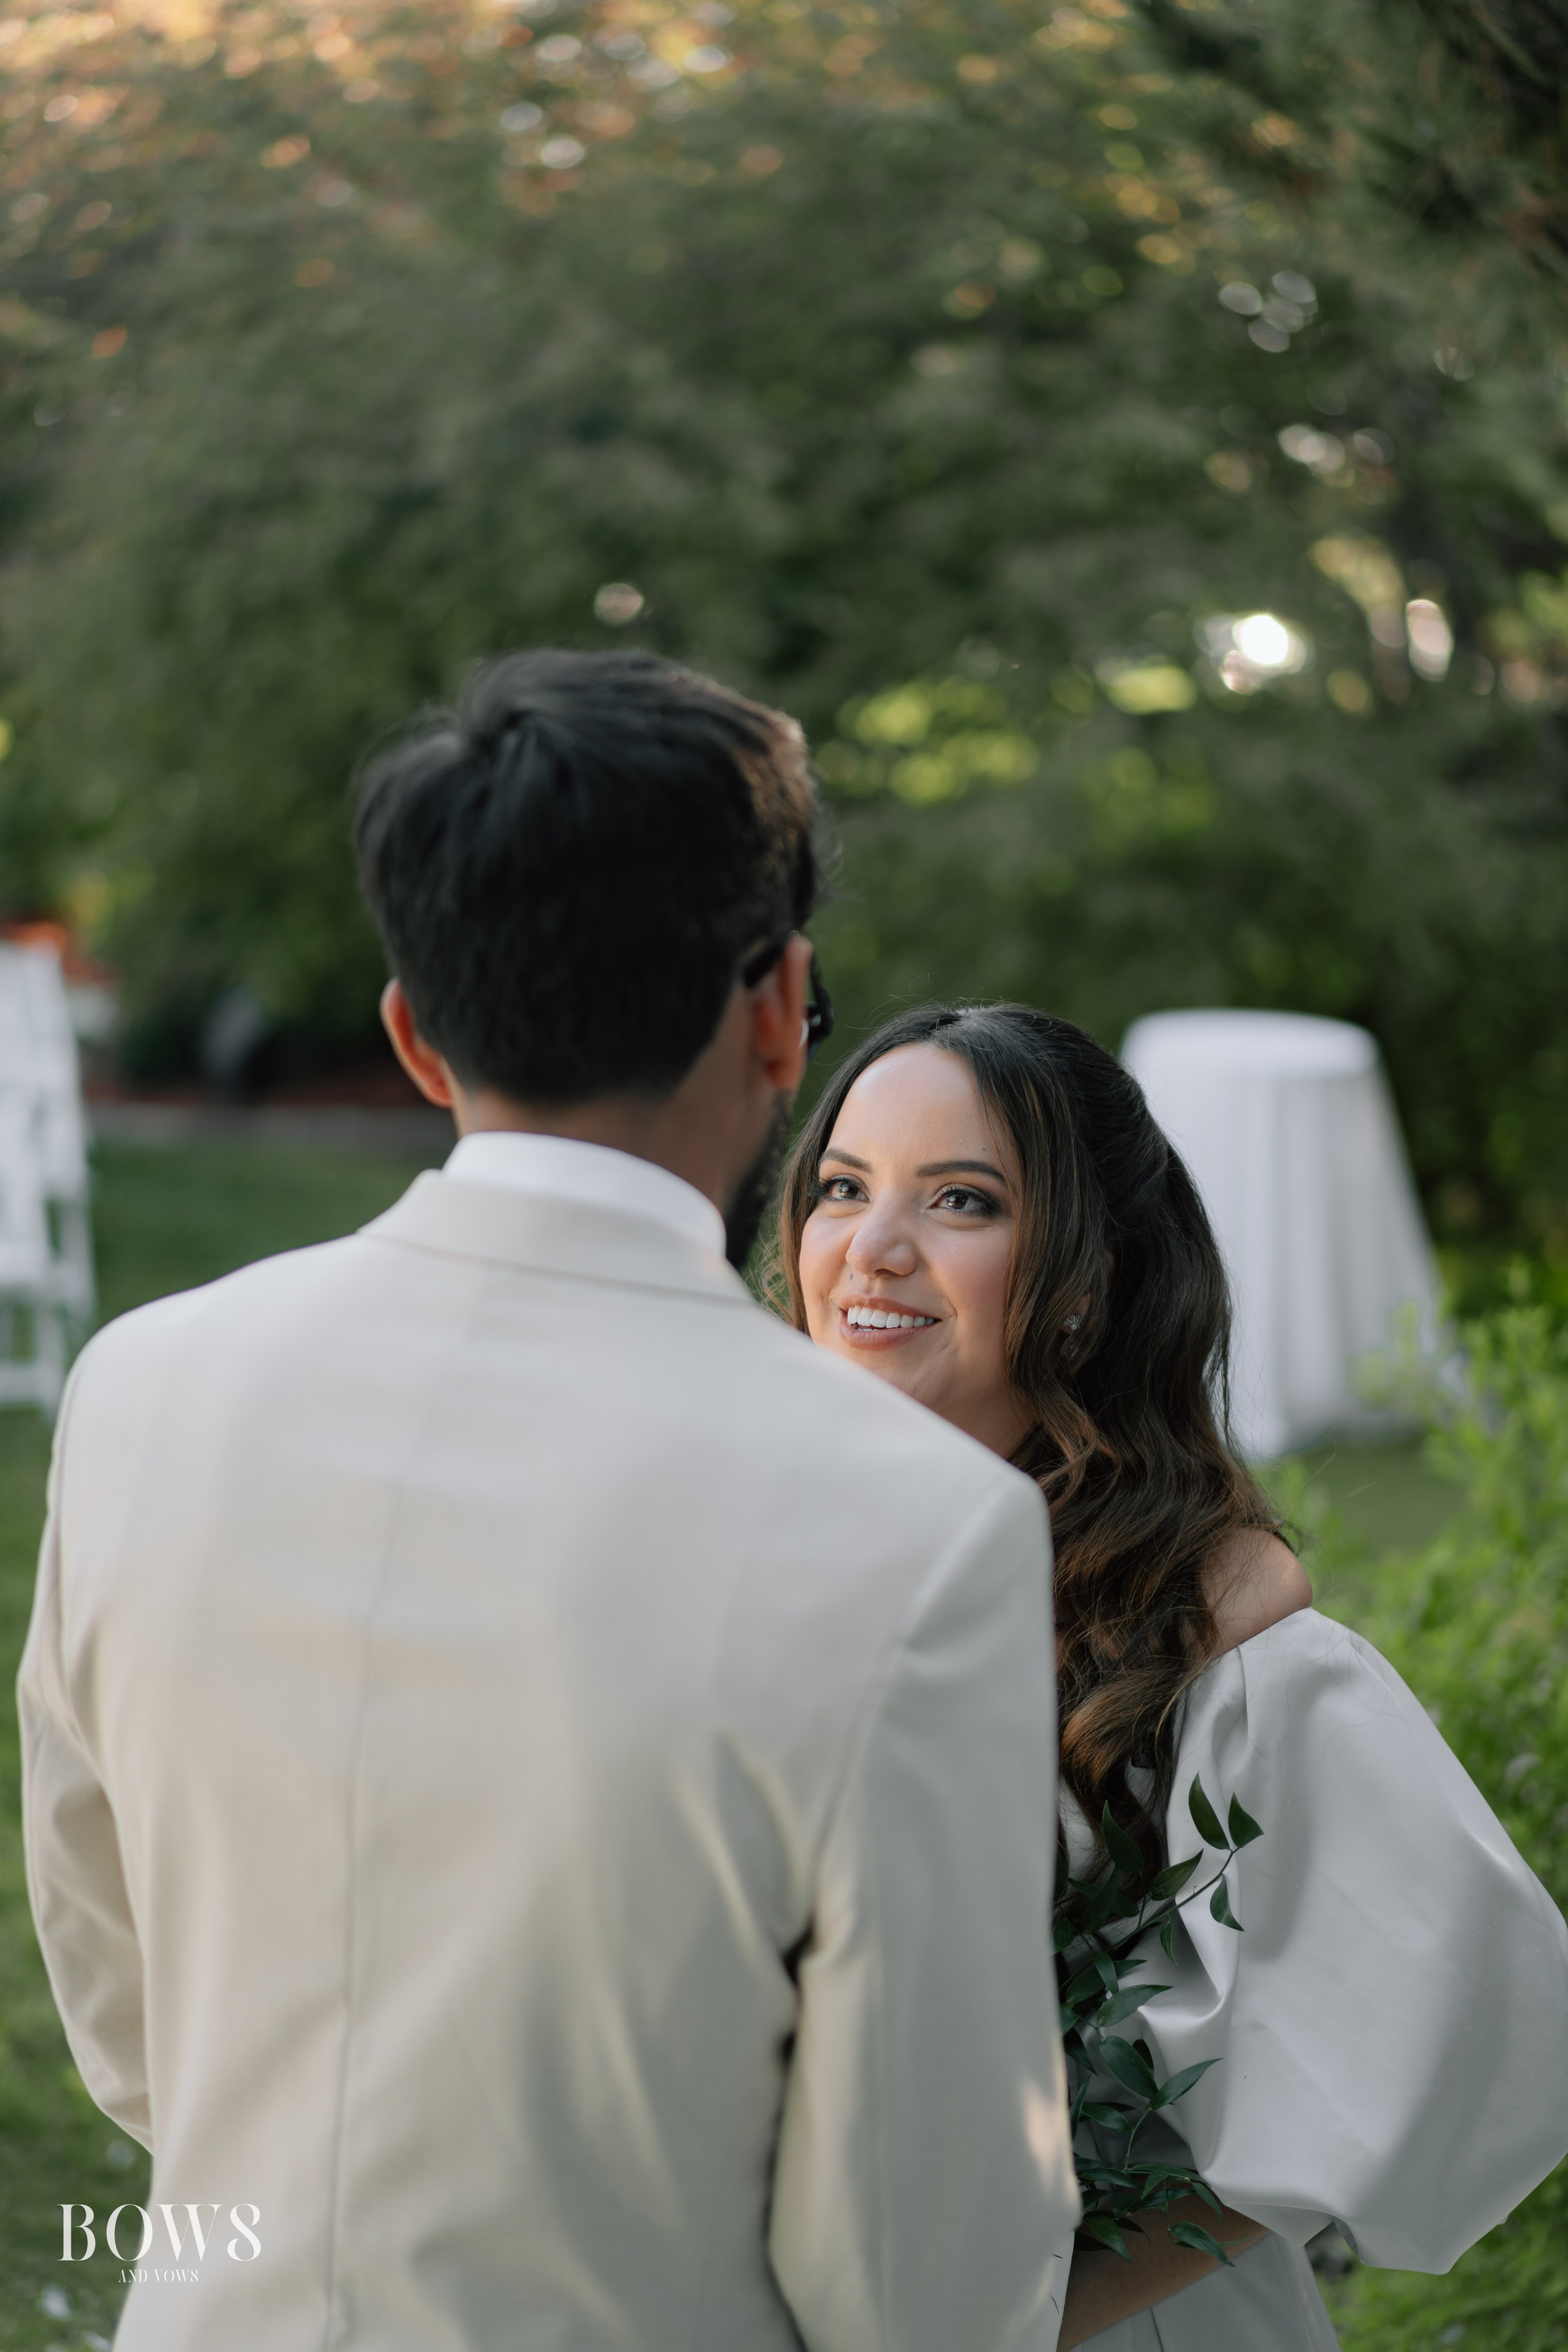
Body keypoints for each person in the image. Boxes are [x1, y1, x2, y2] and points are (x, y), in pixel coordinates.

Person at [18, 655, 1080, 2350]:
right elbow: (920, 2246)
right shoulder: (918, 1520)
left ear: (413, 1031)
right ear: (781, 1005)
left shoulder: (145, 1386)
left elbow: (112, 1973)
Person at [774, 1000, 1568, 2352]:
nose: (872, 1250)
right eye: (841, 1188)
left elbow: (1429, 2028)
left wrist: (1030, 2317)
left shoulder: (1220, 1650)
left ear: (1083, 1280)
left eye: (959, 1200)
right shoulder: (740, 1560)